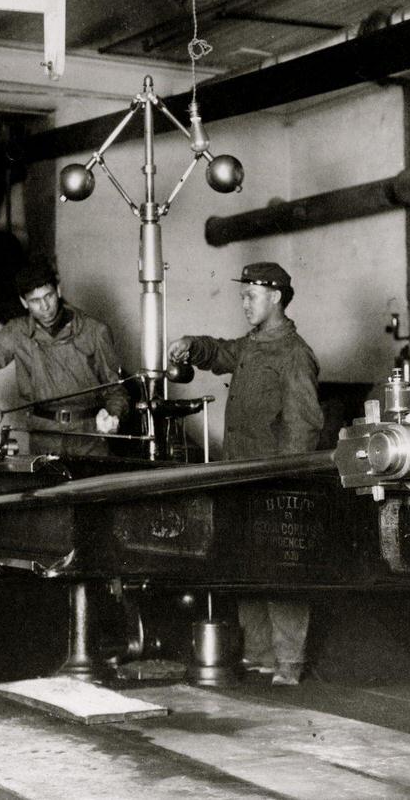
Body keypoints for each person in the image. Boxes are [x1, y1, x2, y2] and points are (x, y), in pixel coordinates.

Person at [169, 261, 323, 685]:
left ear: (275, 297)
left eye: (250, 295)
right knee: (247, 566)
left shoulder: (294, 354)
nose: (243, 303)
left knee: (281, 571)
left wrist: (287, 482)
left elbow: (304, 425)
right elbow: (221, 353)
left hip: (274, 481)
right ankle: (260, 655)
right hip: (238, 475)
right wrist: (192, 346)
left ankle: (288, 664)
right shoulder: (254, 344)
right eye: (241, 295)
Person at [0, 257, 129, 456]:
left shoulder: (95, 331)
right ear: (23, 302)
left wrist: (113, 416)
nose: (45, 307)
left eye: (49, 296)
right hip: (44, 439)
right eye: (35, 301)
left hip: (89, 438)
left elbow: (116, 390)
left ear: (58, 291)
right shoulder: (16, 333)